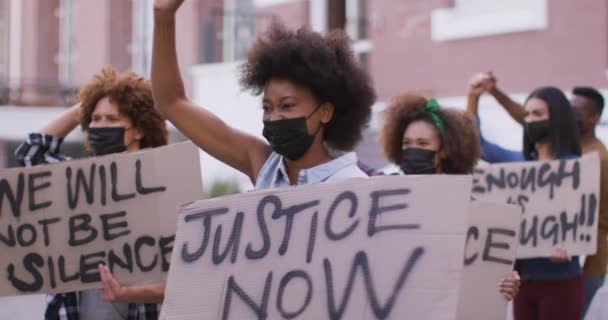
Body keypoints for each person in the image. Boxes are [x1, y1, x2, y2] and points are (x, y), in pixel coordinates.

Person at [97, 0, 376, 304]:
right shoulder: (263, 165)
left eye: (288, 106)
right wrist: (163, 18)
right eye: (267, 108)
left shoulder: (354, 187)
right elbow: (172, 103)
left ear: (324, 112)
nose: (273, 118)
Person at [15, 66, 168, 319]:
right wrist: (86, 105)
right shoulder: (75, 184)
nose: (100, 126)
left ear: (139, 130)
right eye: (95, 119)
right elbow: (31, 153)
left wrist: (127, 294)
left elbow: (180, 281)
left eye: (111, 119)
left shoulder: (163, 188)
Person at [470, 73, 608, 316]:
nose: (530, 121)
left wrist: (573, 248)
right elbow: (477, 144)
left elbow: (585, 222)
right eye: (528, 115)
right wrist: (473, 96)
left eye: (538, 115)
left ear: (557, 119)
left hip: (561, 280)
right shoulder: (519, 162)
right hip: (522, 280)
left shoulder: (577, 168)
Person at [379, 92, 520, 300]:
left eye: (423, 143)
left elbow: (483, 268)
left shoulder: (465, 205)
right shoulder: (385, 197)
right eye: (407, 143)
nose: (413, 150)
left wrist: (505, 282)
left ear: (444, 150)